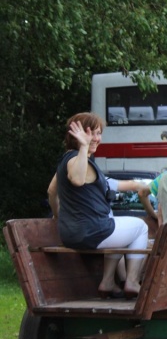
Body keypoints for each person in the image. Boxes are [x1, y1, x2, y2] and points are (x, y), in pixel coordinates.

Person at [47, 112, 148, 299]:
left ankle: (108, 282)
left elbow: (52, 191)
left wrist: (58, 216)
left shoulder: (67, 159)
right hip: (92, 232)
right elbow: (77, 179)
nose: (96, 138)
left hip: (70, 234)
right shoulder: (77, 160)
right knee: (141, 227)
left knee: (117, 226)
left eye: (98, 133)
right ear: (76, 135)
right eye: (90, 133)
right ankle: (132, 282)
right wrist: (84, 146)